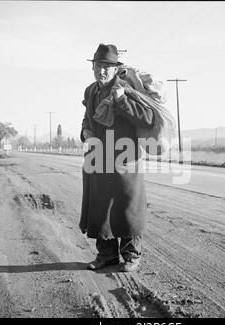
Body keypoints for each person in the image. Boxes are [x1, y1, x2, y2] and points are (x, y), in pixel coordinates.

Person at [79, 44, 155, 272]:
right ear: (93, 66)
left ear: (115, 69)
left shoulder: (126, 89)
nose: (101, 71)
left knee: (128, 206)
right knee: (101, 207)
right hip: (99, 157)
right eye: (98, 66)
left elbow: (148, 118)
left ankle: (132, 255)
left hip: (125, 157)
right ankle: (106, 255)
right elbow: (86, 117)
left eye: (106, 67)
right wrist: (85, 131)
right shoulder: (90, 91)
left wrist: (122, 101)